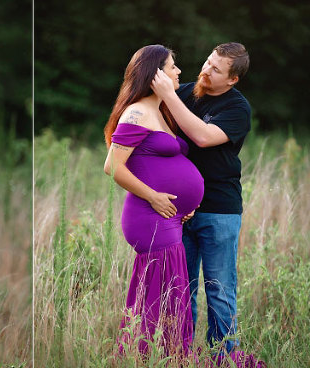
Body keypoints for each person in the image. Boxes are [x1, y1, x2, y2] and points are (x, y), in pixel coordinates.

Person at [152, 43, 256, 361]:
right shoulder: (185, 92)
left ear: (233, 79)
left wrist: (169, 95)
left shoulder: (237, 108)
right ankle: (180, 355)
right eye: (208, 62)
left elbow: (203, 137)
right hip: (178, 210)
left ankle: (221, 358)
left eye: (216, 70)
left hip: (219, 210)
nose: (205, 71)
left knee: (219, 290)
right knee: (180, 288)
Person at [103, 44, 201, 358]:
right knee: (163, 294)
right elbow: (112, 166)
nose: (179, 72)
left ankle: (166, 356)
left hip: (168, 216)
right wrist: (155, 197)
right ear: (155, 73)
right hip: (149, 216)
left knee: (169, 291)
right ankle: (149, 356)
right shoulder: (137, 111)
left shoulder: (159, 112)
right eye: (173, 66)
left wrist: (184, 204)